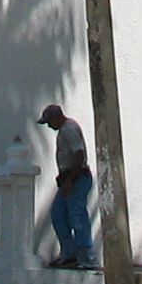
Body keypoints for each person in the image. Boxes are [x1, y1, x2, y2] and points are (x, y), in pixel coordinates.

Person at [37, 103, 94, 269]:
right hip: (68, 178)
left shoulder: (69, 129)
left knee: (77, 216)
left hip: (76, 177)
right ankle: (69, 253)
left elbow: (79, 154)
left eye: (49, 122)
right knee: (59, 214)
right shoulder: (63, 131)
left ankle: (86, 257)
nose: (49, 126)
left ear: (57, 117)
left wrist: (71, 180)